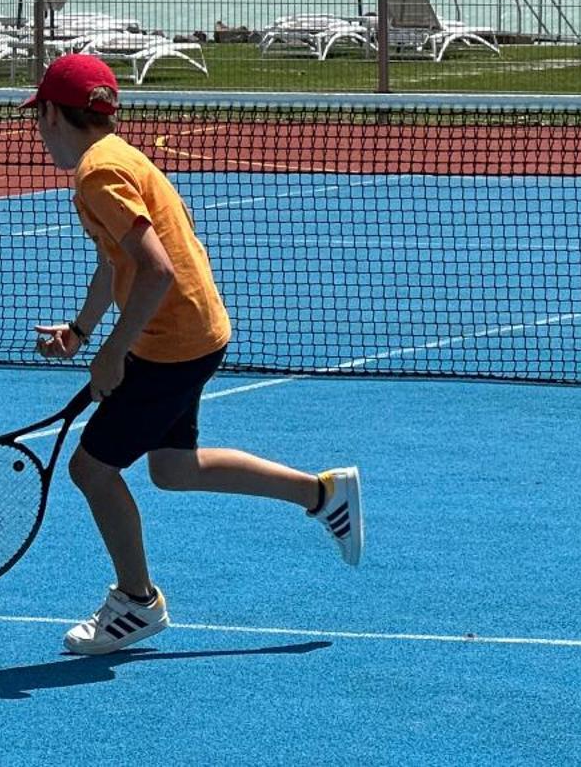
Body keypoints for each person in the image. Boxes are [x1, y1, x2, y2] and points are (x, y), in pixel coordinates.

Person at [24, 51, 361, 655]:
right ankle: (323, 493)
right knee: (174, 468)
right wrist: (81, 331)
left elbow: (152, 273)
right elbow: (116, 263)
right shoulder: (119, 156)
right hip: (196, 331)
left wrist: (113, 355)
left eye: (37, 115)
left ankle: (136, 602)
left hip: (170, 342)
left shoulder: (96, 175)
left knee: (91, 469)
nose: (37, 129)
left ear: (51, 113)